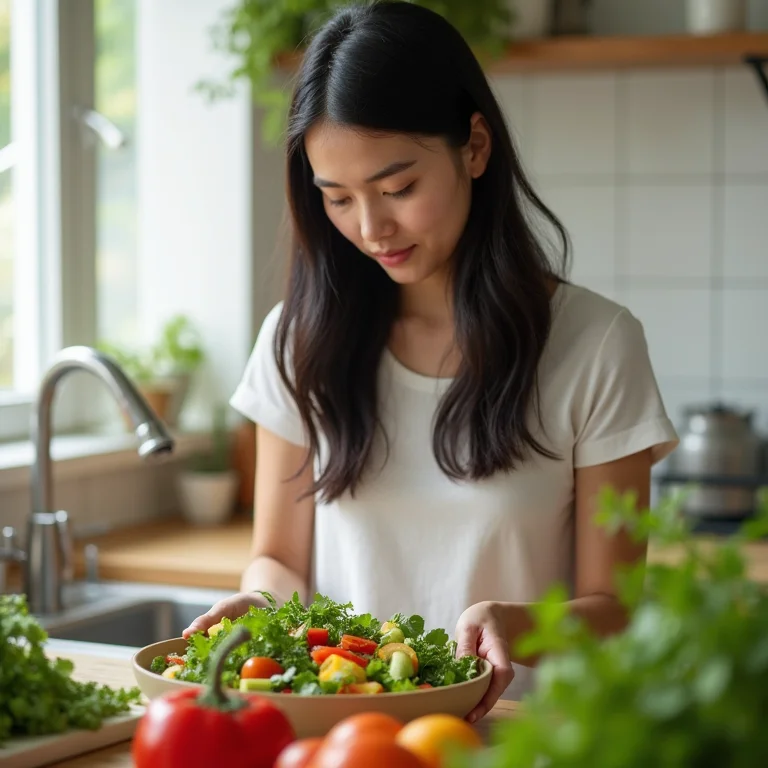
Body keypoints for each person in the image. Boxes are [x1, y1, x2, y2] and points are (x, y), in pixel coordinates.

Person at [183, 0, 678, 721]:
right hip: (346, 739)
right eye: (339, 199)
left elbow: (616, 607)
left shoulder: (596, 343)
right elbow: (280, 560)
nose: (371, 227)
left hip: (520, 739)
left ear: (474, 147)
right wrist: (260, 602)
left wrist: (516, 622)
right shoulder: (297, 339)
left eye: (398, 188)